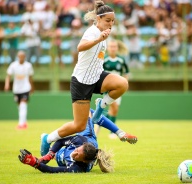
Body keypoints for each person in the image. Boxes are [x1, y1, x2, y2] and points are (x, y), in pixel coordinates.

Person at [40, 0, 129, 149]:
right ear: (98, 19)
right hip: (81, 82)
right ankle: (47, 139)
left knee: (122, 84)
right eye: (108, 20)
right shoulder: (93, 32)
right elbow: (80, 47)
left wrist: (102, 38)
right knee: (79, 125)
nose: (111, 24)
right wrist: (99, 39)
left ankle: (101, 105)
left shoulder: (104, 34)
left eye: (113, 21)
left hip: (97, 76)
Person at [18, 109, 137, 173]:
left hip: (63, 155)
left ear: (84, 161)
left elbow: (52, 170)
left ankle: (46, 140)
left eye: (77, 154)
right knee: (87, 111)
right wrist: (48, 156)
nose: (74, 152)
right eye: (77, 150)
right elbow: (61, 141)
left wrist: (35, 162)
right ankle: (119, 132)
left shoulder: (77, 169)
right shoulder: (79, 142)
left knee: (57, 156)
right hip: (88, 137)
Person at [96, 39, 130, 139]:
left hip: (118, 87)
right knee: (113, 107)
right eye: (111, 46)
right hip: (109, 88)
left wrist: (125, 84)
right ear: (108, 48)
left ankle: (98, 121)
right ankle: (112, 132)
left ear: (117, 48)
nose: (113, 48)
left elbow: (126, 73)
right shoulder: (104, 60)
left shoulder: (121, 60)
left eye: (114, 46)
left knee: (114, 110)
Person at [4, 50, 34, 129]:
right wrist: (7, 84)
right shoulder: (13, 65)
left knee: (23, 104)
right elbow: (8, 75)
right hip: (16, 89)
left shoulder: (28, 65)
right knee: (20, 106)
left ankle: (21, 124)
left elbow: (30, 77)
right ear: (18, 57)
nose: (21, 58)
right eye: (20, 56)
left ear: (25, 57)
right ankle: (24, 122)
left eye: (23, 56)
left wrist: (32, 87)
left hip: (25, 88)